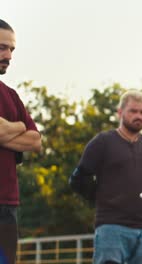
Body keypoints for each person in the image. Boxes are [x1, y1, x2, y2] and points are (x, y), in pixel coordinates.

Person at [69, 90, 142, 264]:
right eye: (133, 111)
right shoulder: (102, 142)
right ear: (120, 113)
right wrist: (97, 198)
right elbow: (78, 179)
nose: (138, 116)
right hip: (111, 227)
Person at [0, 19, 42, 264]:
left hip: (7, 205)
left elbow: (36, 141)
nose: (8, 56)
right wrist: (19, 127)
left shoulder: (11, 95)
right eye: (2, 48)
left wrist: (8, 128)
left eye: (12, 50)